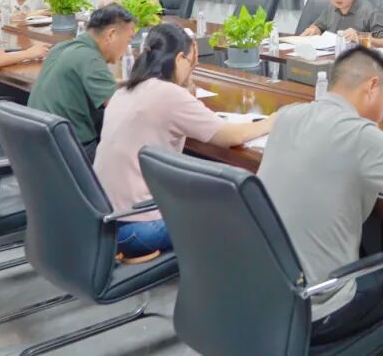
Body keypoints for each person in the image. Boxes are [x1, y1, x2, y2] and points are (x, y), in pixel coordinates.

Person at [258, 47, 383, 355]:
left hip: (270, 297)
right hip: (320, 307)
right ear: (372, 86)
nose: (382, 113)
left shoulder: (288, 116)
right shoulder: (359, 133)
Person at [94, 23, 273, 261]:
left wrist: (184, 85)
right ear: (179, 59)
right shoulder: (168, 94)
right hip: (137, 229)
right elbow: (230, 136)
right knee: (235, 210)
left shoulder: (124, 90)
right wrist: (272, 121)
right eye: (191, 63)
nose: (192, 69)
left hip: (105, 220)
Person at [28, 4, 135, 162]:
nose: (127, 49)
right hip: (70, 149)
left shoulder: (62, 47)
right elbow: (121, 110)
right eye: (129, 40)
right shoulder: (90, 58)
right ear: (111, 35)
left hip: (40, 148)